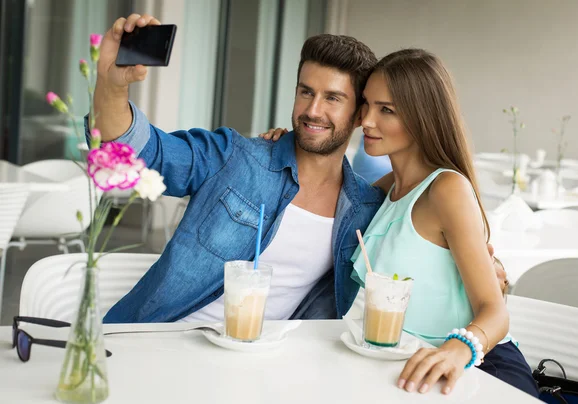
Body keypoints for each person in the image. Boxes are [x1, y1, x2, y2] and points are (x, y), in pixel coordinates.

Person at [91, 13, 506, 324]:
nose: (312, 110)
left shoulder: (366, 207)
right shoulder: (233, 157)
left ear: (359, 113)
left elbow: (419, 238)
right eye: (305, 92)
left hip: (271, 370)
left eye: (332, 98)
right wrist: (112, 84)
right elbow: (142, 151)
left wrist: (489, 267)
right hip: (156, 344)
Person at [351, 49, 538, 397]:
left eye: (386, 110)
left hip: (479, 365)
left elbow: (495, 312)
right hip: (406, 366)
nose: (366, 120)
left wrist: (457, 349)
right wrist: (282, 143)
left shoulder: (446, 189)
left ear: (423, 117)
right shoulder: (383, 189)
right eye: (366, 104)